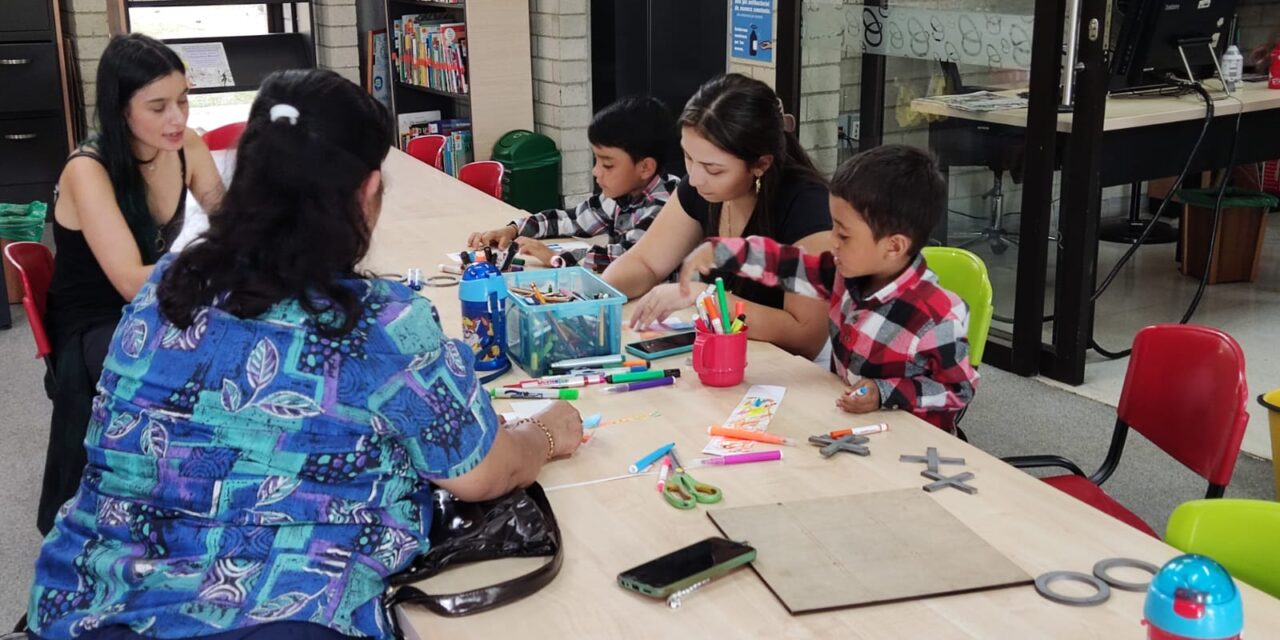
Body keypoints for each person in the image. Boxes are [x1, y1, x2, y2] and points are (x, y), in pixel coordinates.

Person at [27, 68, 583, 640]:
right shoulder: (378, 325)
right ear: (367, 192)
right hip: (274, 618)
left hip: (86, 608)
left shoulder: (167, 284)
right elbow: (481, 472)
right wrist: (546, 432)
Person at [37, 33, 225, 535]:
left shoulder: (186, 146)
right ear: (121, 111)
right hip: (96, 326)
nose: (177, 118)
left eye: (183, 100)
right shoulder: (87, 169)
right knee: (216, 356)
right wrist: (217, 262)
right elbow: (129, 283)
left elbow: (231, 223)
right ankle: (185, 496)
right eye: (159, 106)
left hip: (154, 304)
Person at [680, 145, 979, 433]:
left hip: (914, 443)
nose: (832, 240)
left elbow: (958, 389)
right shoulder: (842, 274)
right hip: (854, 425)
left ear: (894, 246)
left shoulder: (937, 316)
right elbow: (785, 264)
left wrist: (886, 391)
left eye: (844, 234)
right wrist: (724, 253)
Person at [604, 74, 832, 359]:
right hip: (734, 358)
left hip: (793, 375)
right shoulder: (701, 188)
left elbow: (805, 336)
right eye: (688, 157)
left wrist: (703, 296)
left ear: (760, 164)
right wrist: (597, 297)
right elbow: (646, 262)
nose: (696, 178)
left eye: (713, 169)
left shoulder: (806, 205)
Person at [466, 95, 680, 272]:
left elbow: (625, 260)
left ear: (645, 168)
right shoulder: (622, 194)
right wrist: (512, 229)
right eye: (596, 160)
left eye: (607, 165)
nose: (596, 171)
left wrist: (555, 257)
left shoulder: (664, 207)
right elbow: (570, 219)